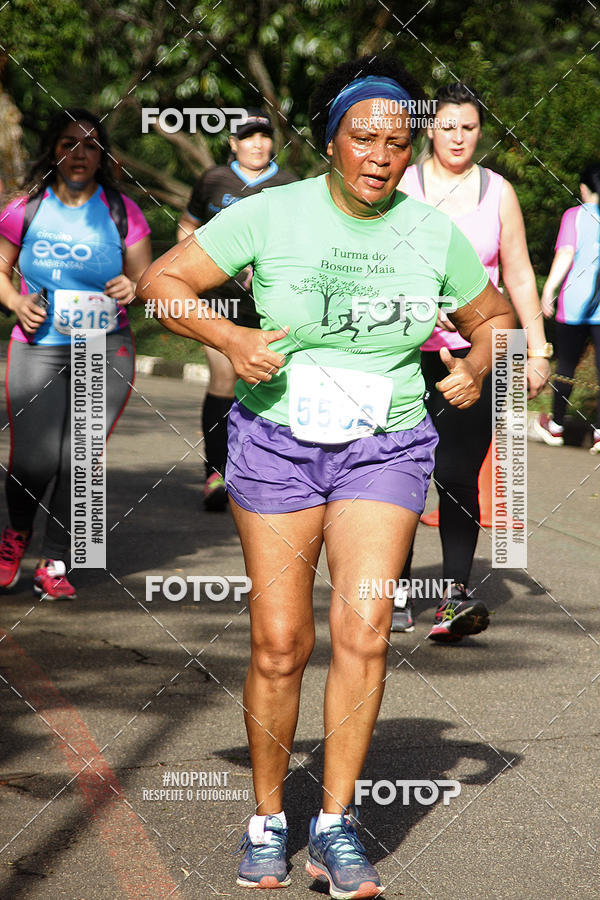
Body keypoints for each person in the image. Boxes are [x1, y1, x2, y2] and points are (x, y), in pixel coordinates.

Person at [139, 56, 514, 897]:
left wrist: (477, 361)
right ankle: (269, 819)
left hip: (385, 445)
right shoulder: (273, 212)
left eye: (397, 142)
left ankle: (336, 825)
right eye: (363, 138)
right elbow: (164, 281)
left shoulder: (431, 233)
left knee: (365, 630)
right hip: (276, 443)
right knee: (280, 644)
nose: (381, 156)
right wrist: (231, 339)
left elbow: (494, 315)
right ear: (331, 140)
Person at [393, 82, 551, 641]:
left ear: (480, 131)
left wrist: (537, 349)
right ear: (429, 128)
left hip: (482, 355)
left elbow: (519, 273)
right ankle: (394, 591)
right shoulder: (401, 183)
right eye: (448, 126)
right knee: (400, 471)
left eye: (469, 127)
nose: (458, 137)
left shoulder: (498, 191)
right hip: (407, 353)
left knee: (458, 473)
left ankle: (453, 598)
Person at [0, 108, 151, 599]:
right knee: (34, 460)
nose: (79, 153)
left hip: (105, 346)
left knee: (81, 459)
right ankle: (15, 536)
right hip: (38, 346)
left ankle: (55, 561)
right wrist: (16, 302)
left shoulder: (122, 211)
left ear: (102, 155)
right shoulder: (25, 208)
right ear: (54, 150)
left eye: (90, 145)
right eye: (69, 143)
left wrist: (133, 287)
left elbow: (146, 281)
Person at [177, 109, 298, 511]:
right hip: (218, 301)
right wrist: (192, 270)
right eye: (248, 136)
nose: (257, 144)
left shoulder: (289, 184)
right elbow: (188, 223)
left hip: (269, 305)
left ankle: (259, 472)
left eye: (264, 136)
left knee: (265, 382)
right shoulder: (214, 180)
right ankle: (216, 472)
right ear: (233, 143)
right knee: (224, 376)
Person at [538, 163, 600, 454]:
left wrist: (548, 289)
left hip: (574, 302)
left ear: (583, 188)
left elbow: (565, 253)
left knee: (566, 365)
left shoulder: (574, 215)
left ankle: (556, 426)